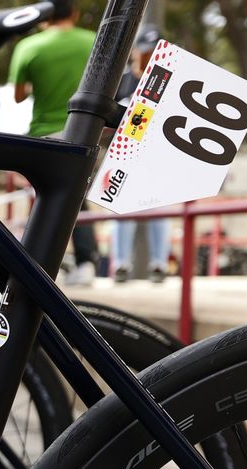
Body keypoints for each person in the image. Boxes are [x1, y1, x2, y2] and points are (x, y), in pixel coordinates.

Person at [9, 0, 98, 286]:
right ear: (75, 13)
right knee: (78, 201)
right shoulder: (93, 42)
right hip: (84, 132)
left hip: (43, 134)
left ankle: (33, 266)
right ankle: (86, 264)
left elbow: (19, 95)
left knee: (40, 199)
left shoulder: (29, 47)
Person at [111, 26, 170, 283]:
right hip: (127, 154)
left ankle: (160, 264)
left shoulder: (167, 78)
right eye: (146, 51)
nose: (150, 56)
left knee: (159, 209)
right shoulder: (122, 80)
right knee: (122, 211)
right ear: (136, 52)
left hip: (158, 156)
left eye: (155, 50)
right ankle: (121, 265)